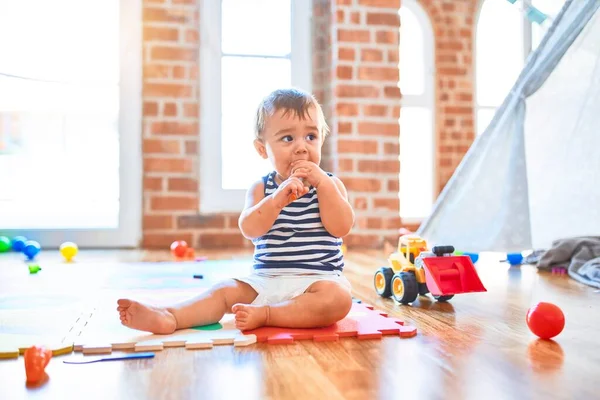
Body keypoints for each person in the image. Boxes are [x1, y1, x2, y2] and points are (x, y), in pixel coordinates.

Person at [117, 88, 355, 333]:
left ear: (322, 140)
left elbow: (341, 227)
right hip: (265, 282)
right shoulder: (262, 189)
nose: (301, 148)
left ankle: (268, 315)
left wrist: (324, 185)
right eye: (287, 139)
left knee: (339, 299)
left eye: (311, 137)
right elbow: (250, 229)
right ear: (262, 149)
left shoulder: (331, 185)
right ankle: (171, 316)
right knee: (223, 291)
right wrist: (276, 200)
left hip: (317, 283)